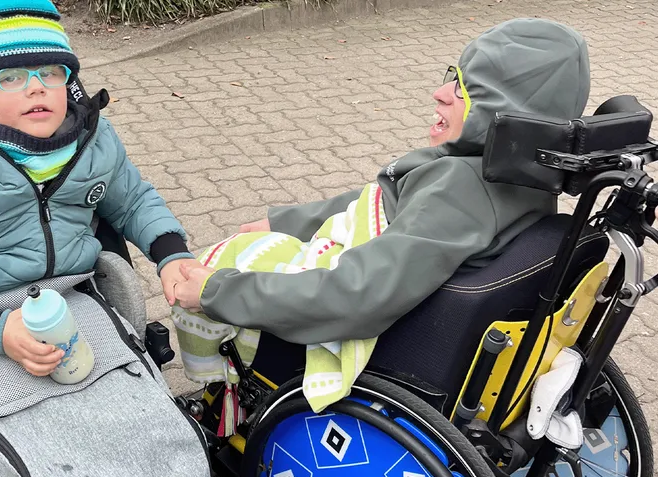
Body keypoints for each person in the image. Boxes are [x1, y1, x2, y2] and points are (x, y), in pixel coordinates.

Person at [172, 18, 591, 402]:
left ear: (500, 114)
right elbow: (387, 199)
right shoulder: (521, 173)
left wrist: (218, 291)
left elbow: (357, 293)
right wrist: (286, 221)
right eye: (453, 76)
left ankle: (226, 390)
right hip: (389, 277)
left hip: (358, 316)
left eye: (464, 88)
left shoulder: (461, 193)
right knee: (254, 241)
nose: (440, 93)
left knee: (223, 260)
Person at [0, 0, 200, 376]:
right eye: (10, 78)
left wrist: (172, 254)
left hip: (72, 294)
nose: (37, 89)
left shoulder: (93, 141)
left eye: (50, 72)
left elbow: (133, 202)